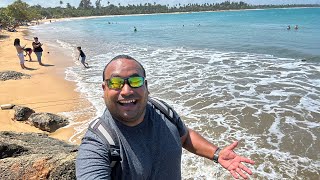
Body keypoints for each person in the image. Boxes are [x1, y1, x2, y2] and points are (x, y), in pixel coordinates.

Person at [76, 55, 255, 179]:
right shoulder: (98, 141)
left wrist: (217, 154)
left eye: (135, 81)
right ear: (104, 89)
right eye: (115, 82)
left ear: (146, 86)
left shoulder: (163, 111)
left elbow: (184, 136)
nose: (127, 90)